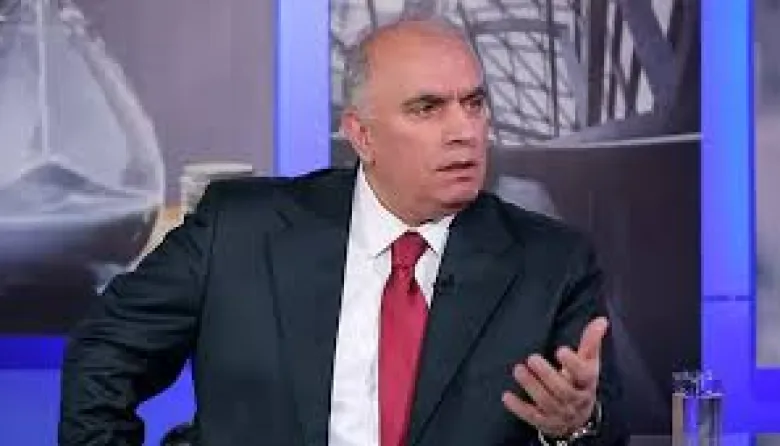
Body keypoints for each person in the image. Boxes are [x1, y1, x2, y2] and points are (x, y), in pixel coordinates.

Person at [59, 18, 627, 446]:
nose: (465, 130)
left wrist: (576, 425)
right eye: (428, 108)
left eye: (473, 103)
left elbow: (606, 427)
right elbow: (104, 353)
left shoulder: (551, 262)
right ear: (362, 135)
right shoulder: (239, 229)